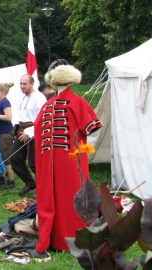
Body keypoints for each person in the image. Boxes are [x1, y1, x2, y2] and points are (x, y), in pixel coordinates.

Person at [32, 60, 102, 256]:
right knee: (69, 198)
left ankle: (55, 239)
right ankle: (71, 239)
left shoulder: (47, 106)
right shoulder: (75, 103)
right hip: (69, 163)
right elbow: (91, 128)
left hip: (60, 163)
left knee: (66, 198)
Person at [8, 75, 47, 194]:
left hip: (35, 132)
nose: (22, 86)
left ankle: (43, 188)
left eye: (25, 84)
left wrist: (30, 132)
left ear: (32, 84)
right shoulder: (21, 97)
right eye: (21, 83)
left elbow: (43, 118)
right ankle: (30, 182)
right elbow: (21, 116)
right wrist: (16, 127)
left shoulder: (39, 98)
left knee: (35, 163)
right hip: (22, 131)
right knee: (15, 158)